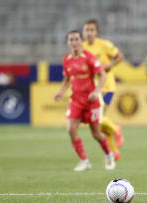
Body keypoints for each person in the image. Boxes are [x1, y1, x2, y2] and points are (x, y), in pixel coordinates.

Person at [54, 30, 115, 171]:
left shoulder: (89, 58)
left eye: (76, 39)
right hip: (75, 100)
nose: (74, 42)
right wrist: (61, 92)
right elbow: (68, 78)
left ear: (81, 41)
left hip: (91, 101)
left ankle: (109, 154)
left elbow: (103, 75)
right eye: (71, 40)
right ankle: (84, 160)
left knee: (96, 134)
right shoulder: (66, 60)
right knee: (70, 129)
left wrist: (96, 91)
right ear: (68, 43)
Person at [82, 19, 125, 161]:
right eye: (87, 30)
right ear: (83, 32)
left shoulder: (104, 45)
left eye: (91, 30)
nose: (89, 33)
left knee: (99, 118)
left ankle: (116, 130)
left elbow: (120, 56)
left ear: (96, 32)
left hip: (106, 85)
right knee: (99, 124)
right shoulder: (82, 48)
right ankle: (114, 152)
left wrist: (110, 66)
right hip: (92, 88)